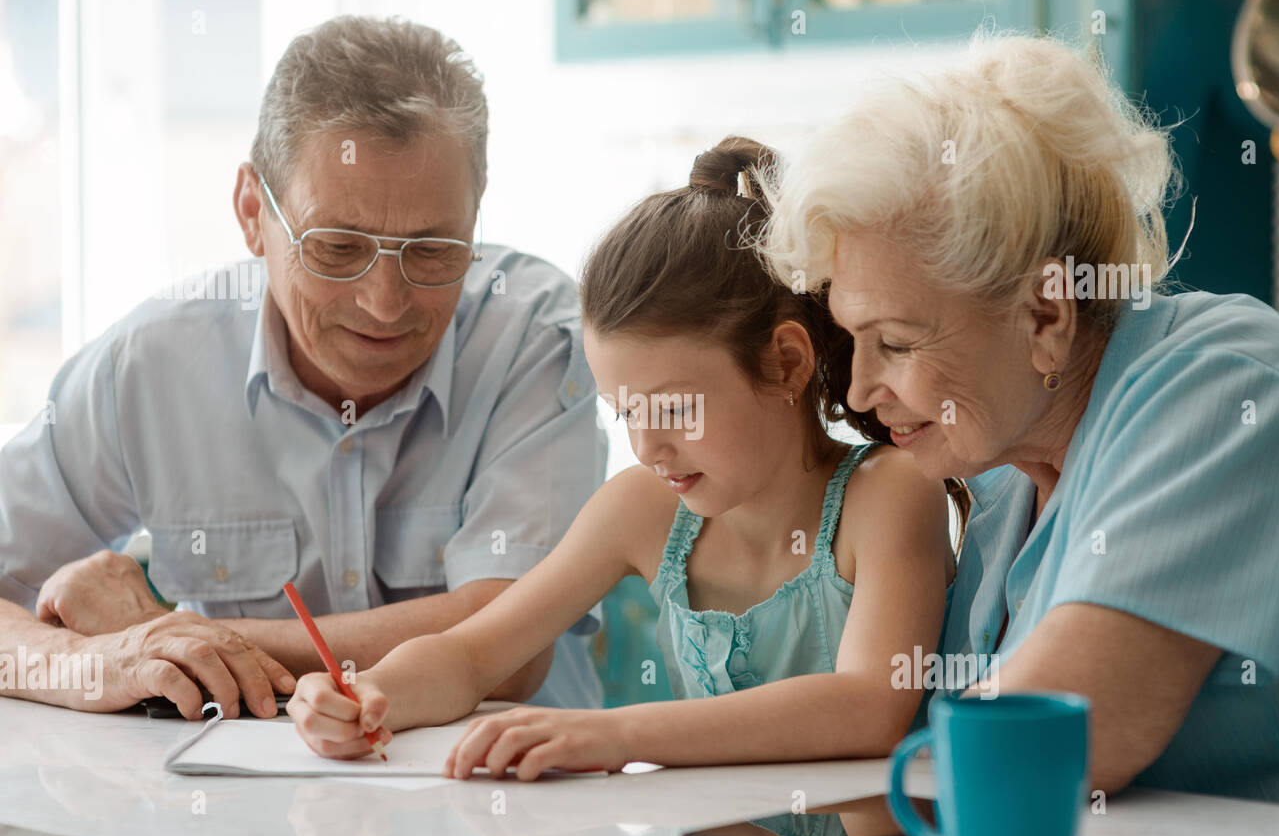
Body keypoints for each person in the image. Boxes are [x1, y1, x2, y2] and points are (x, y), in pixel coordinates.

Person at [288, 137, 965, 789]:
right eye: (626, 412)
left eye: (672, 411)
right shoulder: (644, 509)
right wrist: (368, 692)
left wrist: (620, 734)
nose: (647, 449)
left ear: (786, 362)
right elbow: (471, 654)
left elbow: (869, 704)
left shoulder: (889, 494)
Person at [0, 15, 606, 717]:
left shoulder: (536, 338)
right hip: (233, 811)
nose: (386, 304)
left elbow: (508, 646)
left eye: (434, 250)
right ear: (253, 211)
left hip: (505, 809)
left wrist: (175, 640)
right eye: (338, 247)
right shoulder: (149, 367)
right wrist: (88, 658)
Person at [761, 33, 1279, 803]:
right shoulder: (1006, 473)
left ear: (1045, 312)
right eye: (854, 341)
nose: (859, 390)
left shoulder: (1226, 382)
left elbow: (1058, 743)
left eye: (897, 342)